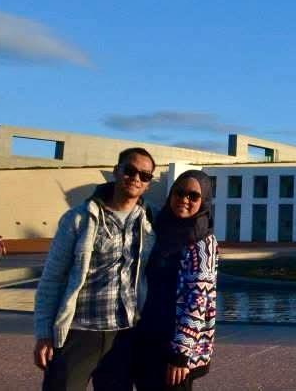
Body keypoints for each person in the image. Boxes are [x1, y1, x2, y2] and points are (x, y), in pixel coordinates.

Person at [33, 147, 157, 391]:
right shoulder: (78, 218)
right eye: (130, 171)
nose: (136, 178)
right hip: (79, 332)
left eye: (144, 175)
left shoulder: (149, 221)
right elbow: (52, 278)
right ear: (115, 171)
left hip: (123, 335)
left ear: (148, 184)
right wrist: (43, 333)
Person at [133, 169, 217, 391]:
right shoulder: (158, 229)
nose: (184, 199)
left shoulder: (202, 242)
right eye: (179, 193)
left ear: (204, 200)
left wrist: (181, 352)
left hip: (175, 343)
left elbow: (197, 300)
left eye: (193, 196)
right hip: (147, 333)